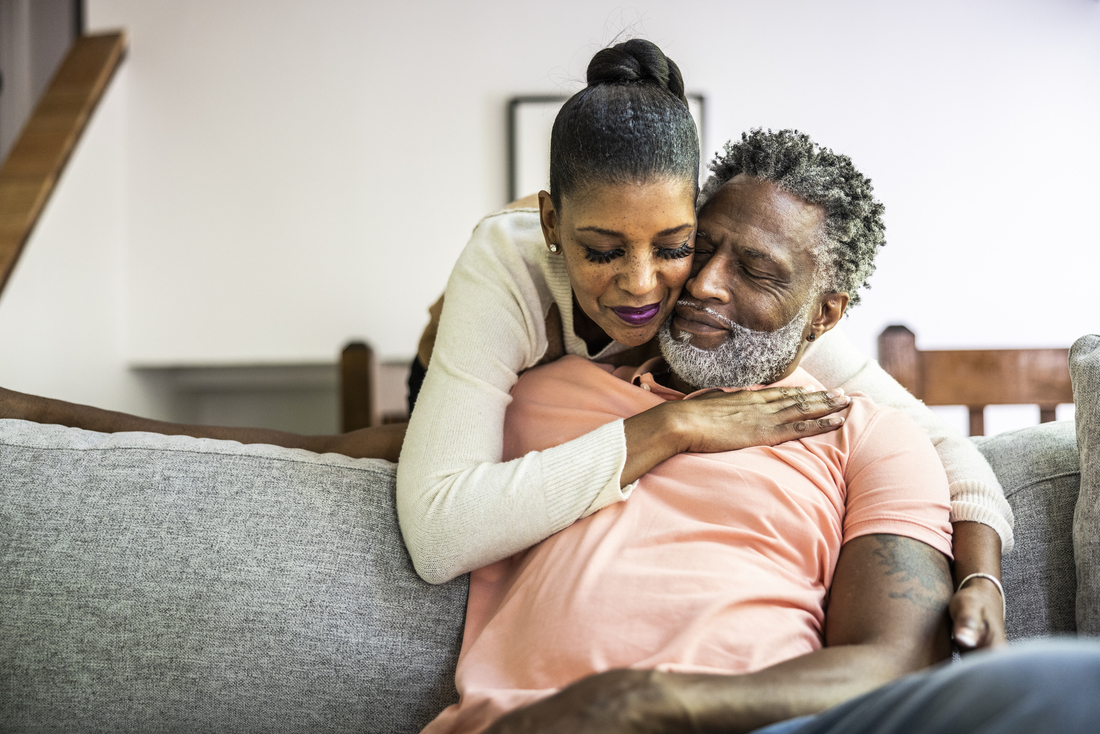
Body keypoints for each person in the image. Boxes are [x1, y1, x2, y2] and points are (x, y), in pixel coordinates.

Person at [0, 40, 1009, 648]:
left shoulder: (745, 316)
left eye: (675, 243)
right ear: (553, 224)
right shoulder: (511, 262)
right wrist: (673, 425)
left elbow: (938, 446)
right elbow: (437, 529)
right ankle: (39, 415)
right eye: (605, 250)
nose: (658, 284)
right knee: (356, 450)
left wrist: (979, 577)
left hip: (586, 410)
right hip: (487, 368)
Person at [422, 131, 1100, 734]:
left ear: (823, 315)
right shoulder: (540, 393)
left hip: (760, 722)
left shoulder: (866, 434)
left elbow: (896, 664)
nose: (705, 285)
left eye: (755, 271)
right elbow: (412, 468)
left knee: (1074, 680)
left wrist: (650, 702)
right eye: (700, 250)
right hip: (524, 724)